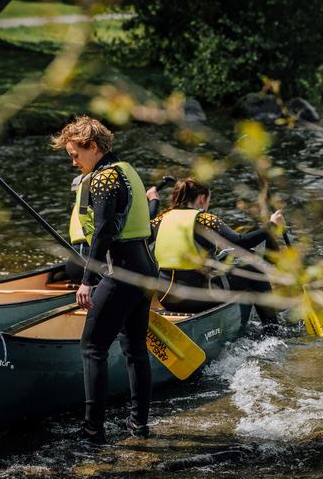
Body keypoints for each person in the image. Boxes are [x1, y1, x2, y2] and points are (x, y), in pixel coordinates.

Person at [50, 115, 157, 443]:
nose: (73, 162)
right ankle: (139, 426)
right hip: (145, 269)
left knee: (92, 347)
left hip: (121, 270)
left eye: (75, 155)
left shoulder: (103, 179)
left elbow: (103, 231)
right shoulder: (126, 170)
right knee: (135, 347)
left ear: (93, 147)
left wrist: (88, 279)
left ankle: (92, 430)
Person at [147, 178, 283, 326]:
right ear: (202, 198)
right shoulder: (205, 219)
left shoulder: (159, 221)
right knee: (256, 270)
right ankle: (273, 332)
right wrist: (272, 225)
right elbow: (241, 242)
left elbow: (141, 239)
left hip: (166, 298)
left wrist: (153, 201)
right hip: (199, 298)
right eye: (208, 201)